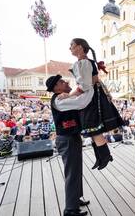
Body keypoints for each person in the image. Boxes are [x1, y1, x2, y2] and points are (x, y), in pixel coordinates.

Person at [59, 38, 123, 170]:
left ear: (80, 47)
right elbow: (92, 81)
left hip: (91, 99)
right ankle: (101, 157)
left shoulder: (83, 63)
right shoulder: (86, 62)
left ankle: (104, 156)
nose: (69, 48)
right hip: (93, 97)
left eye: (71, 45)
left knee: (94, 130)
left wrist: (69, 96)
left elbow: (85, 85)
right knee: (92, 130)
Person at [46, 75, 90, 216]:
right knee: (72, 173)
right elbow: (81, 102)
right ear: (56, 88)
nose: (65, 82)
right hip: (67, 139)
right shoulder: (58, 100)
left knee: (76, 171)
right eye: (61, 82)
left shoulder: (64, 97)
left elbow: (76, 96)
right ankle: (70, 209)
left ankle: (75, 200)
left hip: (72, 137)